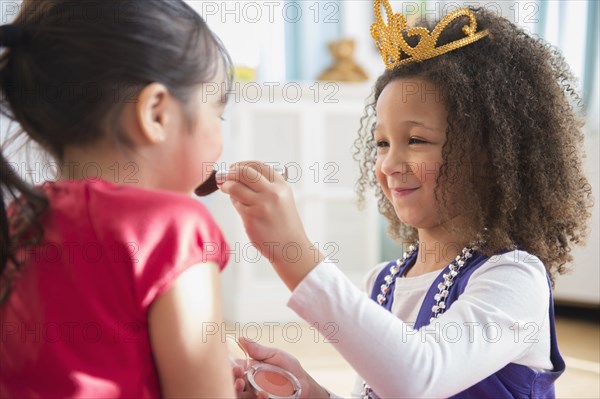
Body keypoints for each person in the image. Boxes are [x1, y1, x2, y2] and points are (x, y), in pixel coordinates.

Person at [223, 3, 593, 398]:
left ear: (487, 155)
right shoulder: (382, 283)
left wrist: (292, 250)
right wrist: (312, 393)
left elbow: (418, 377)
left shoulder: (515, 278)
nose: (390, 163)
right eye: (382, 143)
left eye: (416, 140)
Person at [0, 1, 235, 397]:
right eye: (218, 113)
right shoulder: (174, 228)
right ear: (156, 114)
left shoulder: (20, 216)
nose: (220, 138)